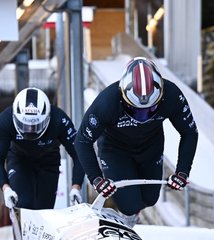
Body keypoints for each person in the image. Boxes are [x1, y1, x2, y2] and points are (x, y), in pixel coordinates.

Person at [74, 57, 198, 218]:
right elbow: (82, 140)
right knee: (129, 205)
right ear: (124, 97)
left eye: (150, 109)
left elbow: (189, 132)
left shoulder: (172, 95)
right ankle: (123, 220)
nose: (142, 116)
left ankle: (132, 218)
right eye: (135, 109)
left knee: (151, 198)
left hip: (150, 147)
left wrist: (182, 172)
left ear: (160, 97)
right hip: (115, 151)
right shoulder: (107, 102)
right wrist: (96, 179)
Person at [0, 87, 85, 210]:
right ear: (15, 118)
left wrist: (76, 187)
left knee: (44, 209)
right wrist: (6, 188)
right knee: (23, 204)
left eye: (35, 126)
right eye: (25, 125)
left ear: (47, 118)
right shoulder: (5, 120)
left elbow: (79, 154)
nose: (30, 131)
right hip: (19, 159)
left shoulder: (59, 120)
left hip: (48, 160)